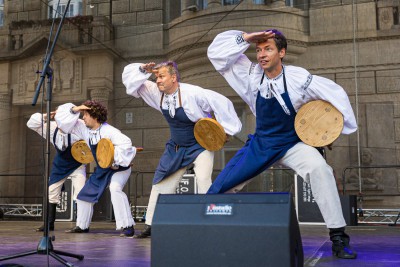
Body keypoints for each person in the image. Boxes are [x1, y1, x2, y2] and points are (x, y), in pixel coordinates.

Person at [207, 29, 358, 259]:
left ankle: (338, 238)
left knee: (320, 170)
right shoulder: (249, 74)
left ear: (282, 52)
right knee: (222, 185)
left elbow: (333, 94)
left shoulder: (298, 78)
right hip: (262, 143)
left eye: (268, 49)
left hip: (292, 143)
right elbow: (216, 54)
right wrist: (246, 38)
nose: (261, 55)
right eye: (258, 50)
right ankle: (209, 232)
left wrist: (329, 132)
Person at [122, 61, 242, 238]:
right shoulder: (155, 92)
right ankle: (152, 225)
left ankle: (210, 222)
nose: (158, 81)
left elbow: (221, 103)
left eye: (162, 76)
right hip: (176, 148)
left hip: (199, 146)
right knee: (160, 184)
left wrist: (225, 131)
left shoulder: (193, 93)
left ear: (174, 77)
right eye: (156, 77)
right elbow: (130, 82)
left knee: (203, 180)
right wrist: (142, 69)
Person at [54, 100, 138, 237]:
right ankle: (82, 226)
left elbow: (126, 144)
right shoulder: (83, 129)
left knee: (115, 189)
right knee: (83, 195)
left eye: (86, 114)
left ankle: (127, 226)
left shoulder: (109, 131)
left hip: (119, 168)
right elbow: (63, 121)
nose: (83, 117)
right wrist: (76, 109)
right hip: (101, 170)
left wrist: (113, 160)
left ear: (95, 116)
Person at [27, 112, 86, 232]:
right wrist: (47, 115)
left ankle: (81, 225)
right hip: (60, 165)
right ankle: (49, 224)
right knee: (52, 191)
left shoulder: (81, 126)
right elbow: (31, 124)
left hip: (77, 165)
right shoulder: (52, 127)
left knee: (81, 193)